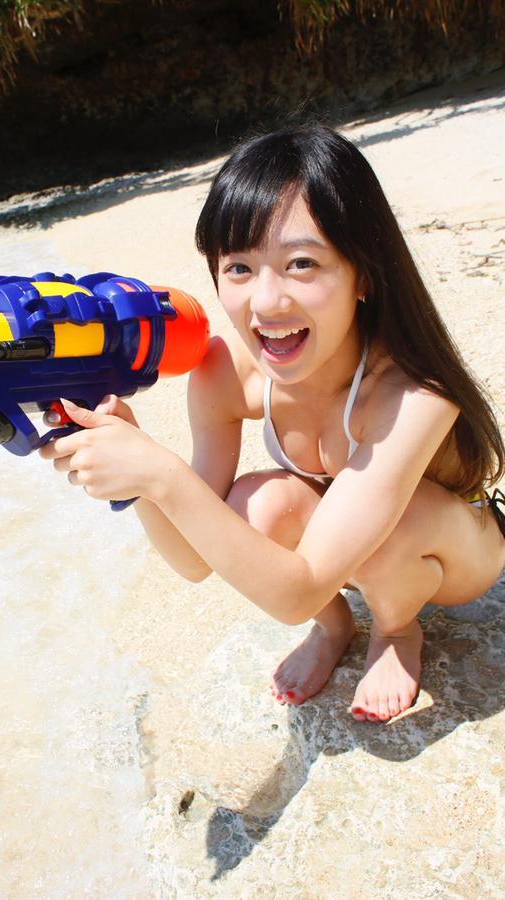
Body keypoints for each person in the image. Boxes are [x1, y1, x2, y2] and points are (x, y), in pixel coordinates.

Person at [39, 123, 505, 724]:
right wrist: (137, 474)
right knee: (254, 505)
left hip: (454, 554)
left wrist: (162, 474)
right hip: (347, 546)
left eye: (301, 263)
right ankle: (337, 627)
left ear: (364, 273)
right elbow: (194, 559)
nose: (265, 303)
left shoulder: (413, 394)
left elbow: (297, 590)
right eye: (239, 267)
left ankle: (396, 630)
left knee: (396, 523)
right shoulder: (226, 372)